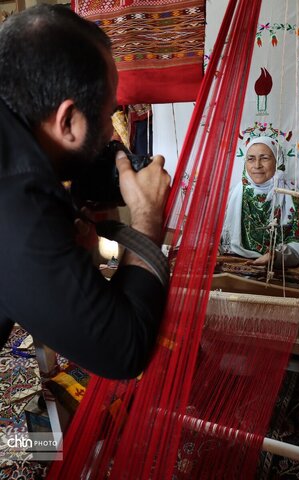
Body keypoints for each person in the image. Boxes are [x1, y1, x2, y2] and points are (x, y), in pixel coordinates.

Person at [0, 5, 171, 379]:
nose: (111, 133)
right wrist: (147, 220)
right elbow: (122, 350)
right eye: (109, 114)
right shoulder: (16, 203)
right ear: (67, 119)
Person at [220, 135, 299, 267]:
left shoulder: (294, 197)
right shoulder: (232, 195)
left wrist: (277, 256)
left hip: (279, 269)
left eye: (264, 158)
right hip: (235, 264)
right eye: (251, 159)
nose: (257, 165)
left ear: (278, 161)